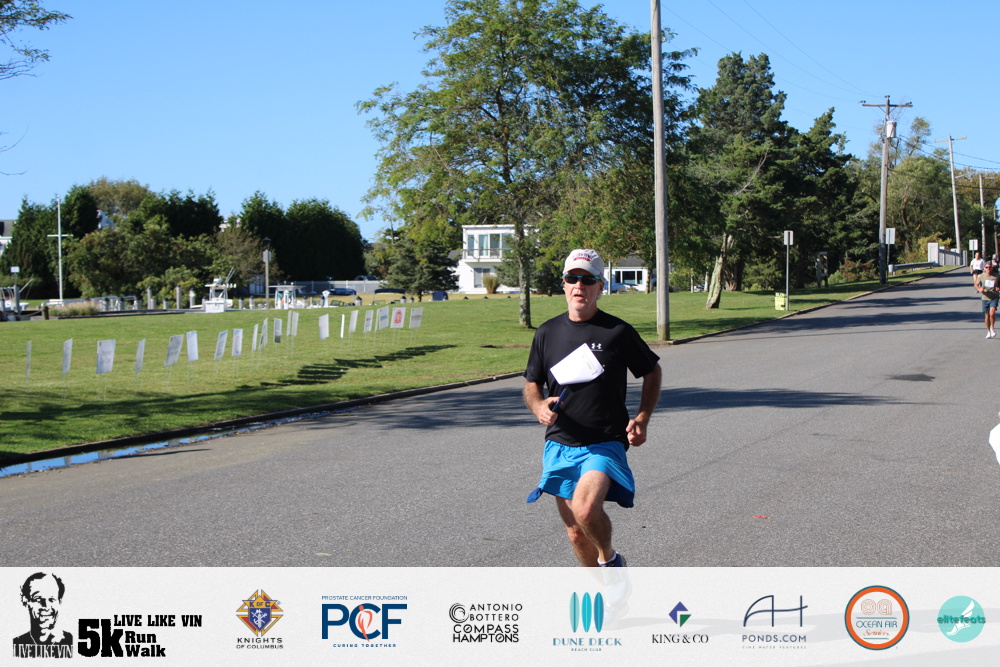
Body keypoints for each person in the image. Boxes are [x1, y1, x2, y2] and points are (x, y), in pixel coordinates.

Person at [523, 249, 662, 567]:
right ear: (563, 283)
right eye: (572, 278)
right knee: (576, 533)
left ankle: (610, 562)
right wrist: (538, 405)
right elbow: (532, 383)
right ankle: (601, 586)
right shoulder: (547, 332)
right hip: (560, 442)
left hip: (604, 440)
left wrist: (642, 417)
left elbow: (652, 371)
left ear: (600, 286)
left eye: (587, 280)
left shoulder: (617, 332)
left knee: (585, 510)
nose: (579, 286)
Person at [13, 572, 73, 657]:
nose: (46, 606)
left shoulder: (72, 642)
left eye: (51, 600)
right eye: (38, 599)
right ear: (25, 601)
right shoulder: (16, 644)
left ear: (59, 601)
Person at [975, 262, 1000, 338]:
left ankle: (992, 328)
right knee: (987, 316)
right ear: (984, 268)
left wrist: (998, 288)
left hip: (994, 297)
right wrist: (979, 289)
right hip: (985, 297)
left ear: (992, 268)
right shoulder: (981, 276)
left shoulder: (996, 276)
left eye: (990, 267)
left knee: (992, 313)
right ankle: (988, 331)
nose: (988, 268)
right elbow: (976, 285)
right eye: (987, 267)